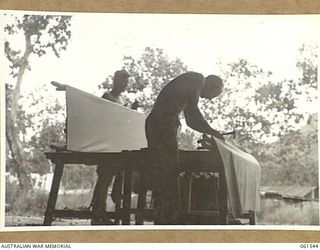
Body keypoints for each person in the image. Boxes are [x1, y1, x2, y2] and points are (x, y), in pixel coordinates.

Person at [145, 71, 224, 225]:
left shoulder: (192, 86)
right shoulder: (197, 79)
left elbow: (191, 121)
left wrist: (210, 131)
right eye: (211, 95)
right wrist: (213, 132)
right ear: (211, 85)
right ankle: (167, 217)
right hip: (162, 124)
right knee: (168, 169)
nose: (207, 98)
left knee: (167, 169)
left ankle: (165, 214)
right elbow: (194, 115)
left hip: (162, 123)